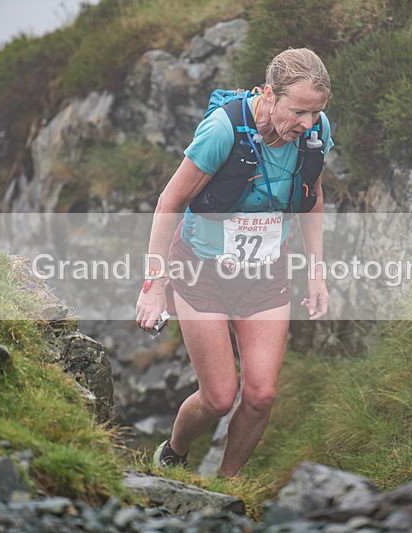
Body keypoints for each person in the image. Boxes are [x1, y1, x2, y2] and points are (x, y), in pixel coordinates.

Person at [135, 48, 333, 478]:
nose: (308, 123)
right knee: (219, 398)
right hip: (201, 273)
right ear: (269, 94)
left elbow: (313, 198)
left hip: (265, 276)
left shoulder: (315, 133)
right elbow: (170, 201)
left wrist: (316, 273)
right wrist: (155, 285)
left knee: (261, 396)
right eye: (299, 111)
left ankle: (227, 487)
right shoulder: (223, 130)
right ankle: (173, 452)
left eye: (316, 112)